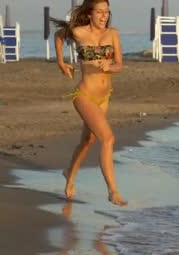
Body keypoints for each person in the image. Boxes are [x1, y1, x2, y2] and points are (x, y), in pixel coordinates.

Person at [52, 0, 127, 206]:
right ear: (90, 13)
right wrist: (60, 62)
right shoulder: (78, 32)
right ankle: (113, 191)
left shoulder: (112, 34)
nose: (104, 16)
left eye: (107, 12)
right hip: (84, 95)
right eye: (100, 12)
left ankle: (69, 174)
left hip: (104, 97)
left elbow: (120, 64)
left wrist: (110, 66)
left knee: (88, 141)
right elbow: (59, 36)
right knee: (108, 138)